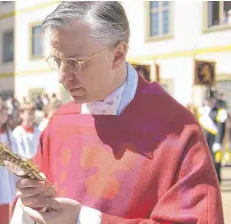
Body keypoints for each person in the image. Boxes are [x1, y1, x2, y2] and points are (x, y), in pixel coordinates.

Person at [11, 2, 224, 223]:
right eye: (58, 61)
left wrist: (85, 220)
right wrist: (30, 198)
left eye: (74, 62)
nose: (62, 77)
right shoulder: (59, 122)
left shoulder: (177, 130)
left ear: (117, 54)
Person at [197, 87, 227, 183]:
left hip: (214, 139)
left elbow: (221, 128)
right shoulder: (200, 111)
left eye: (211, 100)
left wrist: (218, 142)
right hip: (204, 140)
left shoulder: (220, 112)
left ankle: (217, 179)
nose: (209, 102)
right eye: (207, 100)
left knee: (216, 161)